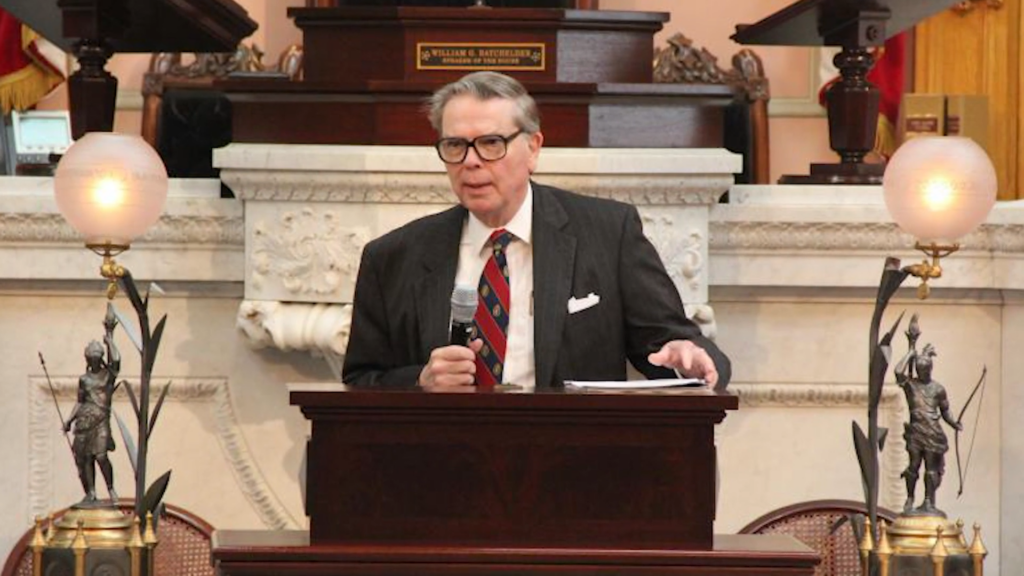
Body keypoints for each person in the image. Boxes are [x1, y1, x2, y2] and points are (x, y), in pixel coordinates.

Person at [342, 71, 730, 392]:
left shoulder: (609, 234)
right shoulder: (393, 257)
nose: (471, 162)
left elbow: (670, 345)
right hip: (444, 464)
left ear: (533, 148)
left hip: (577, 463)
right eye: (455, 145)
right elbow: (360, 381)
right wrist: (421, 382)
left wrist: (689, 358)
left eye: (491, 143)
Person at [894, 341, 961, 515]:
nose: (921, 373)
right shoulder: (910, 385)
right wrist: (910, 352)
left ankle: (928, 501)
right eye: (919, 370)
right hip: (916, 431)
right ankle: (910, 498)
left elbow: (945, 411)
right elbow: (898, 371)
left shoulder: (938, 389)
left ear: (930, 370)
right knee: (913, 465)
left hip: (933, 432)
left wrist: (953, 423)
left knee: (931, 469)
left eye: (925, 370)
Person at [65, 308, 120, 505]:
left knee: (101, 456)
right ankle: (92, 492)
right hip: (84, 421)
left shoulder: (108, 376)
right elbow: (80, 401)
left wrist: (110, 337)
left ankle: (112, 489)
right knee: (86, 458)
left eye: (97, 357)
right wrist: (69, 420)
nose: (94, 360)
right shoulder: (84, 379)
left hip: (101, 420)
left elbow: (117, 360)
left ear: (100, 358)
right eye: (91, 358)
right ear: (87, 359)